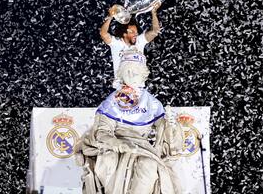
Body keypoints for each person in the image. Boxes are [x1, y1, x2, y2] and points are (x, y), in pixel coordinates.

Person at [75, 50, 184, 194]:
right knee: (108, 161)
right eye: (128, 71)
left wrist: (171, 125)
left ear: (143, 75)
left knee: (148, 165)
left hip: (142, 148)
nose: (131, 75)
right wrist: (117, 144)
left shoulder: (152, 103)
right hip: (116, 146)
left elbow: (166, 137)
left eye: (136, 72)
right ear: (121, 73)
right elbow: (101, 132)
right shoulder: (112, 102)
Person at [100, 1, 162, 88]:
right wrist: (110, 17)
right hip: (122, 90)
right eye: (132, 32)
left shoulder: (140, 41)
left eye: (136, 32)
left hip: (139, 89)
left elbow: (155, 31)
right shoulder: (116, 43)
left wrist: (153, 12)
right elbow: (103, 33)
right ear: (124, 34)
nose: (136, 34)